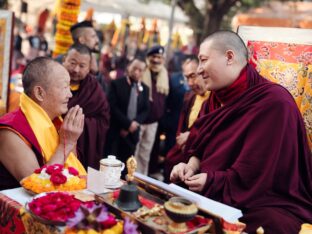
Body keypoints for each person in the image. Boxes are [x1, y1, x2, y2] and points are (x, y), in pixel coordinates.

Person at [170, 31, 312, 233]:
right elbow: (200, 146)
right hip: (209, 188)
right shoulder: (214, 98)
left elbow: (258, 173)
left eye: (203, 61)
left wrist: (212, 181)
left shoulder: (274, 103)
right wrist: (191, 166)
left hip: (260, 198)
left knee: (267, 224)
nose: (199, 70)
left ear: (229, 57)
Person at [0, 57, 86, 190]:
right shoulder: (11, 131)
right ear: (40, 93)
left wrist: (70, 141)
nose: (70, 94)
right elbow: (37, 186)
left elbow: (70, 171)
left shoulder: (56, 123)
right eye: (64, 87)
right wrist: (67, 143)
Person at [63, 43, 110, 170]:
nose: (76, 69)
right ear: (64, 60)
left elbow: (103, 119)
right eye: (72, 63)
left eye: (82, 66)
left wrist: (78, 122)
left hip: (83, 146)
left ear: (89, 68)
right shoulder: (53, 82)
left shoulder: (93, 88)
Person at [164, 56, 209, 181]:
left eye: (193, 76)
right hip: (183, 150)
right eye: (187, 78)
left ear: (203, 71)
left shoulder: (215, 99)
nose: (190, 83)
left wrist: (191, 137)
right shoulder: (189, 96)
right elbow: (181, 126)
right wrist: (183, 142)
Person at [107, 57, 149, 166]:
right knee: (111, 162)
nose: (136, 72)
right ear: (128, 67)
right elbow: (112, 106)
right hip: (116, 130)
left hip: (132, 133)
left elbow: (145, 110)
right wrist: (127, 124)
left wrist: (134, 124)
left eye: (140, 70)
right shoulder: (116, 84)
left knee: (126, 165)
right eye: (134, 68)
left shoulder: (145, 89)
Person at [134, 45, 169, 175]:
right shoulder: (142, 73)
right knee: (134, 153)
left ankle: (140, 179)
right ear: (148, 58)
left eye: (159, 57)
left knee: (145, 154)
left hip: (153, 123)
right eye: (153, 57)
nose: (156, 60)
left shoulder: (165, 76)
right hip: (138, 121)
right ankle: (130, 177)